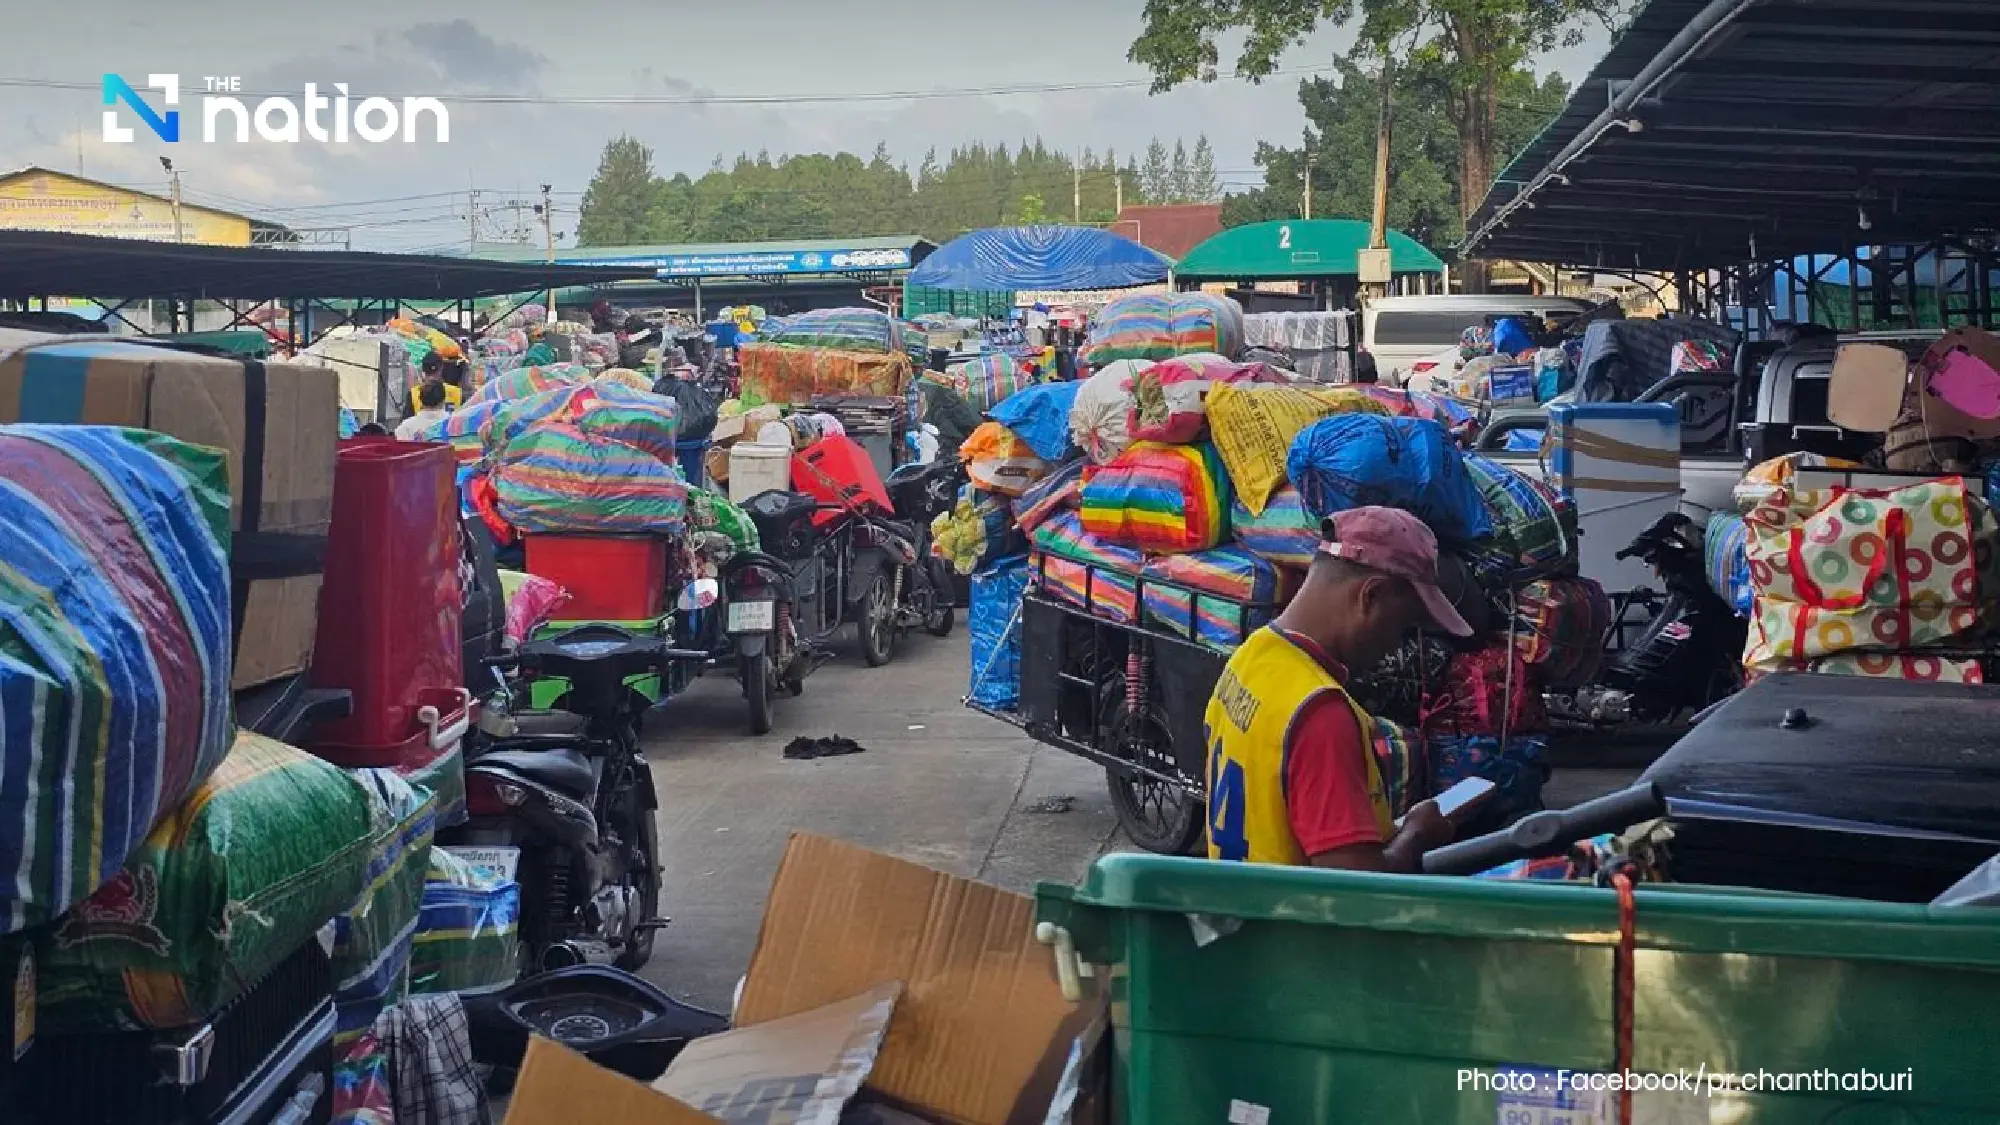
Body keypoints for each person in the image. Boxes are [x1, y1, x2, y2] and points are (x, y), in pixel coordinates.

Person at [1203, 506, 1471, 871]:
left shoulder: (1250, 658)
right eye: (1403, 624)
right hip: (1293, 925)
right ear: (1371, 596)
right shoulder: (1320, 712)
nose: (1396, 644)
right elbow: (1351, 893)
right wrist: (1416, 836)